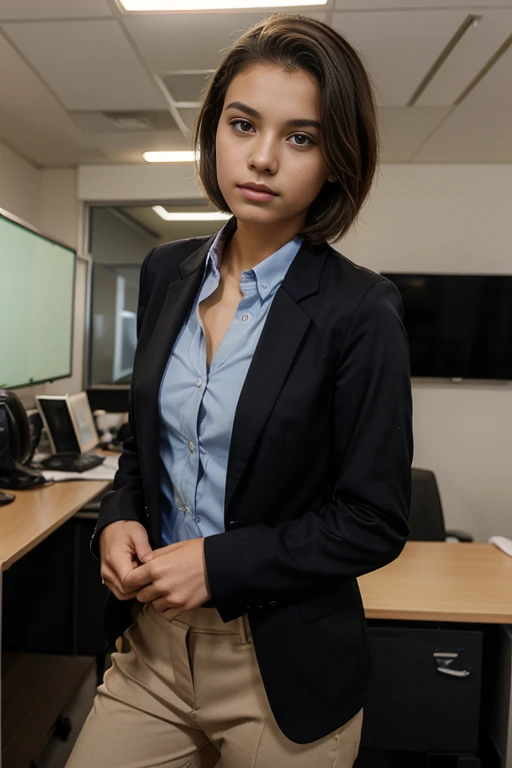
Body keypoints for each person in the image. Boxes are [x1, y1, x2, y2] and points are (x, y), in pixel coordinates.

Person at [66, 12, 413, 768]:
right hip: (151, 651)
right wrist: (118, 522)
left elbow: (373, 519)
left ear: (335, 160)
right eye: (242, 124)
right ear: (214, 131)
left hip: (279, 668)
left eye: (300, 137)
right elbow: (140, 452)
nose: (261, 158)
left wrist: (218, 564)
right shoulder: (167, 271)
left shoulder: (361, 310)